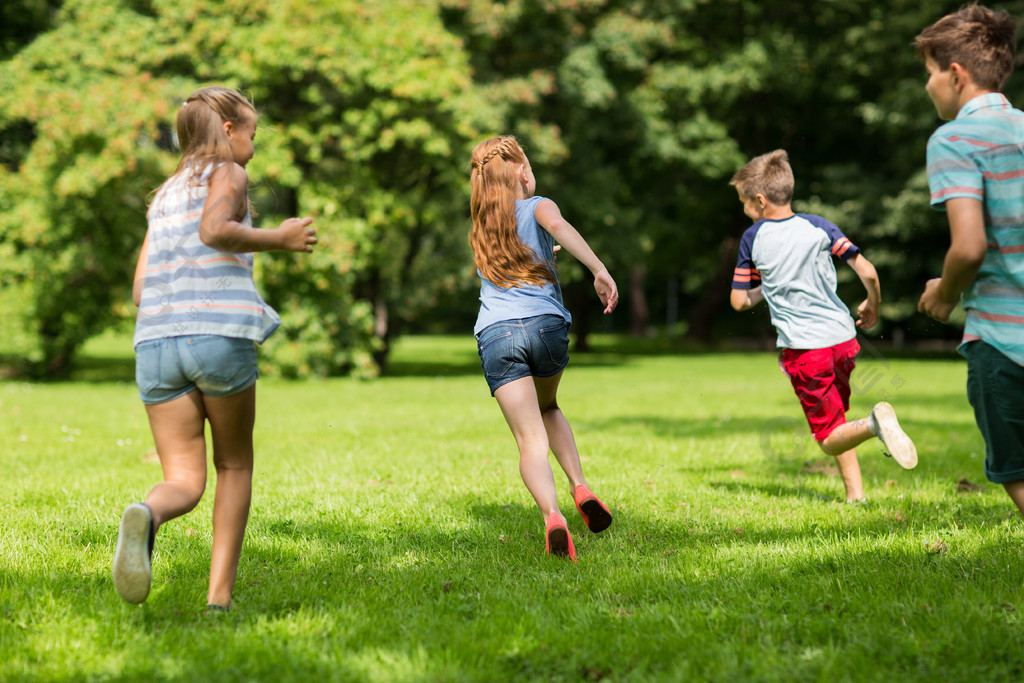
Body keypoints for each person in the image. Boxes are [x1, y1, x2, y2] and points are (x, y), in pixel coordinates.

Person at [113, 87, 317, 610]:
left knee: (182, 478)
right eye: (251, 132)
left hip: (156, 343)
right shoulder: (227, 174)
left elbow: (139, 290)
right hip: (217, 338)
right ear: (228, 131)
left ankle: (147, 514)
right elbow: (214, 230)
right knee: (233, 465)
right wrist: (282, 237)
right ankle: (218, 600)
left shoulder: (162, 196)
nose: (253, 144)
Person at [729, 150, 918, 502]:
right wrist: (872, 305)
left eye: (743, 202)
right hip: (843, 340)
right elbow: (868, 271)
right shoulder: (818, 225)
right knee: (837, 415)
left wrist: (764, 288)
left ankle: (876, 424)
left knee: (829, 439)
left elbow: (739, 301)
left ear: (759, 200)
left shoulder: (753, 237)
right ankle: (855, 495)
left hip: (805, 350)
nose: (743, 210)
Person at [469, 135, 618, 561]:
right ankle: (580, 486)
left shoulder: (482, 226)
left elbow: (511, 264)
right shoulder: (538, 206)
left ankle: (553, 515)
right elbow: (558, 226)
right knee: (549, 407)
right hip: (546, 328)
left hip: (497, 334)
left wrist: (545, 258)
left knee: (529, 439)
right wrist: (599, 269)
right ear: (522, 171)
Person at [915, 4, 1024, 518]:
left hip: (1003, 341)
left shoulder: (954, 139)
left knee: (1016, 470)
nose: (929, 86)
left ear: (955, 75)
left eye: (930, 73)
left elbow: (969, 246)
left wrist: (944, 293)